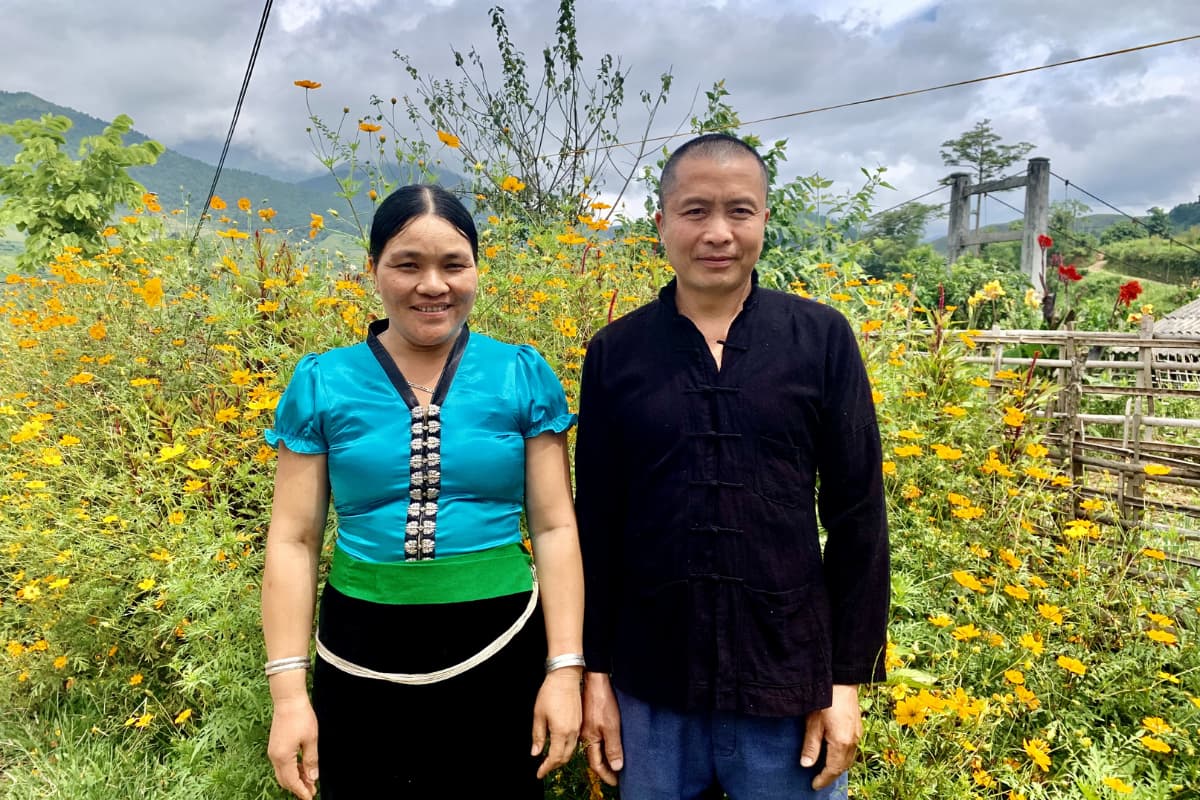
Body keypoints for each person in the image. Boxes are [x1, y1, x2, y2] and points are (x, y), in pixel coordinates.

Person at [575, 133, 889, 799]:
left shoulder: (821, 338)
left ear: (765, 221)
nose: (718, 233)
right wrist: (594, 677)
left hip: (788, 681)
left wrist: (844, 682)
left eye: (739, 211)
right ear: (660, 224)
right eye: (695, 211)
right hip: (650, 687)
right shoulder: (615, 353)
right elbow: (594, 527)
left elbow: (858, 516)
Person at [260, 184, 585, 799]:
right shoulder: (323, 382)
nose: (432, 285)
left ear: (476, 271)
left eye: (453, 264)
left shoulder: (521, 374)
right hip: (357, 652)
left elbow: (554, 527)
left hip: (503, 645)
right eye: (407, 264)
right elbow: (294, 540)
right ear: (373, 271)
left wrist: (564, 670)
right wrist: (287, 696)